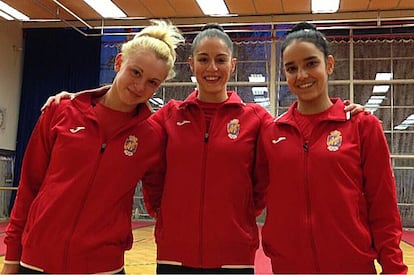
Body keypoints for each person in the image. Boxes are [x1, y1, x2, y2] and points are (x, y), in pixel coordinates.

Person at [40, 23, 366, 274]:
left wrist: (235, 217)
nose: (212, 68)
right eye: (204, 60)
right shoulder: (167, 117)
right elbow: (142, 157)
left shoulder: (257, 120)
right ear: (192, 66)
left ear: (232, 65)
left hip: (234, 259)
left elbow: (264, 182)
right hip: (173, 256)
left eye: (220, 60)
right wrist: (78, 97)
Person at [1, 20, 184, 274]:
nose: (140, 86)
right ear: (119, 63)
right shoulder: (61, 111)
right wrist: (11, 257)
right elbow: (29, 187)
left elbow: (161, 202)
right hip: (37, 261)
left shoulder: (153, 137)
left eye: (153, 82)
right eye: (136, 72)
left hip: (103, 266)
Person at [260, 22, 408, 274]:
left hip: (351, 267)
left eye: (311, 63)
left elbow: (383, 209)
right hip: (289, 268)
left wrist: (394, 269)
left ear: (329, 64)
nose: (302, 75)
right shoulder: (271, 133)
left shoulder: (363, 127)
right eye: (291, 68)